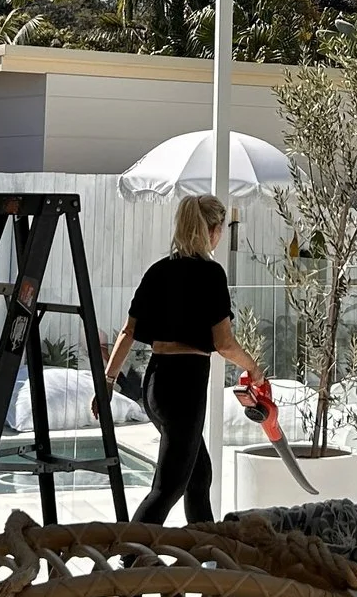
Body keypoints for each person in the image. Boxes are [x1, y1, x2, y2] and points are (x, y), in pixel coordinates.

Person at [104, 194, 262, 524]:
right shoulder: (211, 274)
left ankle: (204, 556)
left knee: (198, 476)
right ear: (215, 230)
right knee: (167, 489)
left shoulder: (158, 271)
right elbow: (224, 342)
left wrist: (107, 381)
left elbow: (128, 331)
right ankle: (126, 564)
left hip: (156, 384)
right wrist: (253, 368)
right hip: (184, 387)